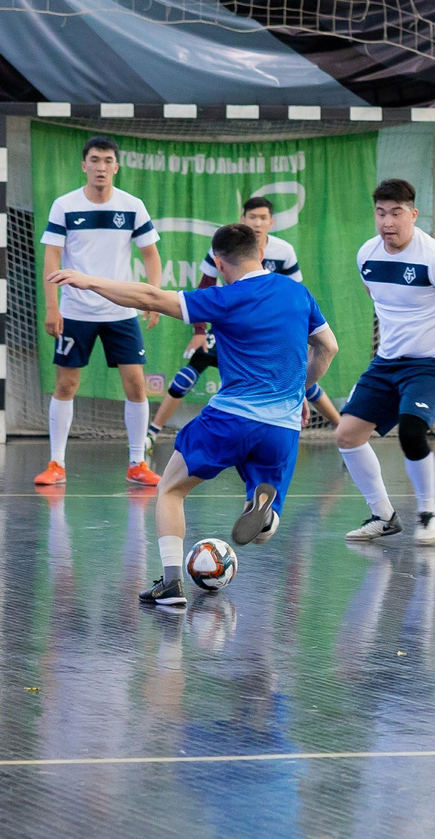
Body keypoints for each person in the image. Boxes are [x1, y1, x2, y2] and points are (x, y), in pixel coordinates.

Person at [46, 219, 338, 608]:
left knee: (170, 490)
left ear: (219, 263)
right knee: (262, 532)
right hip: (282, 428)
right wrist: (298, 389)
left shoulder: (224, 298)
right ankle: (265, 514)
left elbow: (149, 296)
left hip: (231, 418)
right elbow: (328, 347)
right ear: (261, 253)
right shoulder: (298, 293)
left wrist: (89, 281)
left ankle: (170, 585)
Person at [334, 178, 435, 548]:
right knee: (347, 434)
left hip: (431, 363)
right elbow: (381, 298)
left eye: (396, 213)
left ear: (413, 214)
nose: (388, 222)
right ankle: (383, 516)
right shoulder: (367, 255)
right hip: (387, 361)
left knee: (411, 431)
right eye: (381, 213)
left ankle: (427, 513)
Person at [150, 194, 340, 436]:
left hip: (270, 332)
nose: (257, 223)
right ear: (243, 219)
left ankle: (342, 429)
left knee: (299, 375)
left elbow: (295, 298)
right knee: (192, 367)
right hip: (232, 327)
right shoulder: (225, 248)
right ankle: (152, 432)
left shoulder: (284, 251)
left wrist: (292, 338)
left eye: (263, 218)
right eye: (252, 217)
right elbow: (205, 285)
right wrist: (199, 331)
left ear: (271, 222)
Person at [38, 134, 166, 490]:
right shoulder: (64, 205)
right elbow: (52, 257)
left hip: (121, 311)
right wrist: (53, 307)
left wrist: (152, 298)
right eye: (95, 160)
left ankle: (137, 463)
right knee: (66, 384)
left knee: (136, 384)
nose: (101, 167)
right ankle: (56, 463)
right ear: (84, 165)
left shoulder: (132, 206)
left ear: (116, 167)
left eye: (108, 160)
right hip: (75, 311)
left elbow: (151, 255)